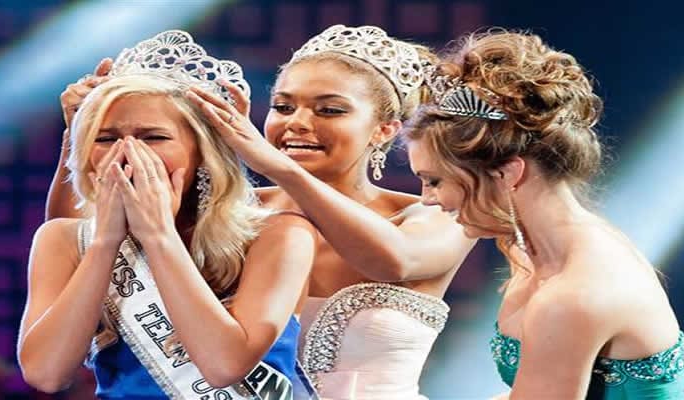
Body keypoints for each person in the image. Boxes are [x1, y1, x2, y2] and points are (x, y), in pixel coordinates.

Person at [18, 30, 316, 400]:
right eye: (106, 139)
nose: (128, 153)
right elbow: (46, 374)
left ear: (204, 153)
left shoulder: (280, 234)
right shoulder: (63, 239)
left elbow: (224, 366)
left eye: (153, 138)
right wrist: (105, 243)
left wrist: (159, 235)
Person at [185, 24, 475, 400]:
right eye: (283, 107)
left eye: (330, 110)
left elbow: (395, 261)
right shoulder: (231, 212)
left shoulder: (437, 214)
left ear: (384, 130)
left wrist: (279, 169)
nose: (297, 122)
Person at [404, 29, 684, 399]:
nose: (428, 199)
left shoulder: (575, 292)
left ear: (508, 173)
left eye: (434, 181)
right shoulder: (532, 252)